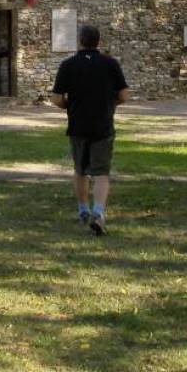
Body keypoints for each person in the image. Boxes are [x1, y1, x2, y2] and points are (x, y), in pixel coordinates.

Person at [51, 24, 129, 236]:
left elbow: (57, 98)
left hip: (77, 125)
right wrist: (109, 104)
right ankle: (98, 212)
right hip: (103, 124)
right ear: (98, 41)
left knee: (80, 170)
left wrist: (70, 105)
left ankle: (83, 210)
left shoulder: (68, 65)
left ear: (80, 41)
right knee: (101, 172)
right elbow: (124, 95)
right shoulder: (110, 64)